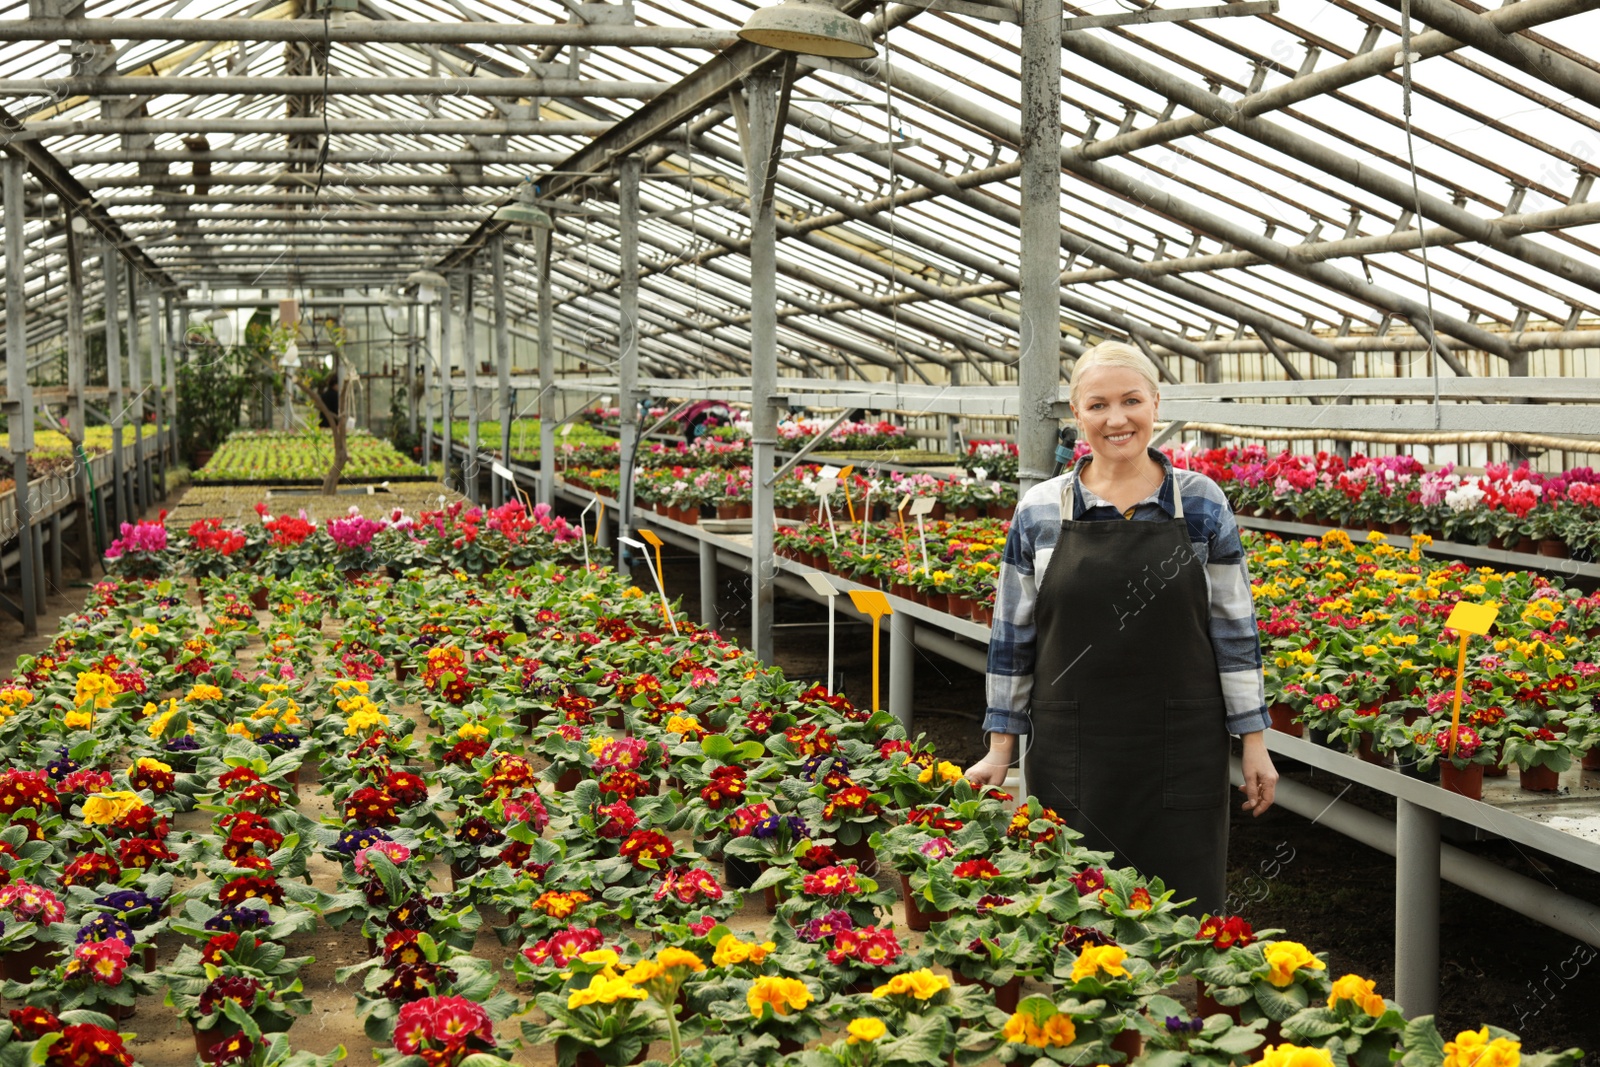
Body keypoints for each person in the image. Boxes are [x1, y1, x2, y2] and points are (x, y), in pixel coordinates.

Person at [964, 341, 1277, 914]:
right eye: (1098, 404)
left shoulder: (1201, 503)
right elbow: (1012, 639)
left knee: (1186, 916)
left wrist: (1253, 742)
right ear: (1076, 414)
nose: (1116, 418)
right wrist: (1000, 750)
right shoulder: (1041, 509)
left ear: (1156, 403)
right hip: (1074, 750)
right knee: (1078, 913)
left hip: (1181, 747)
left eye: (1131, 400)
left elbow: (1234, 631)